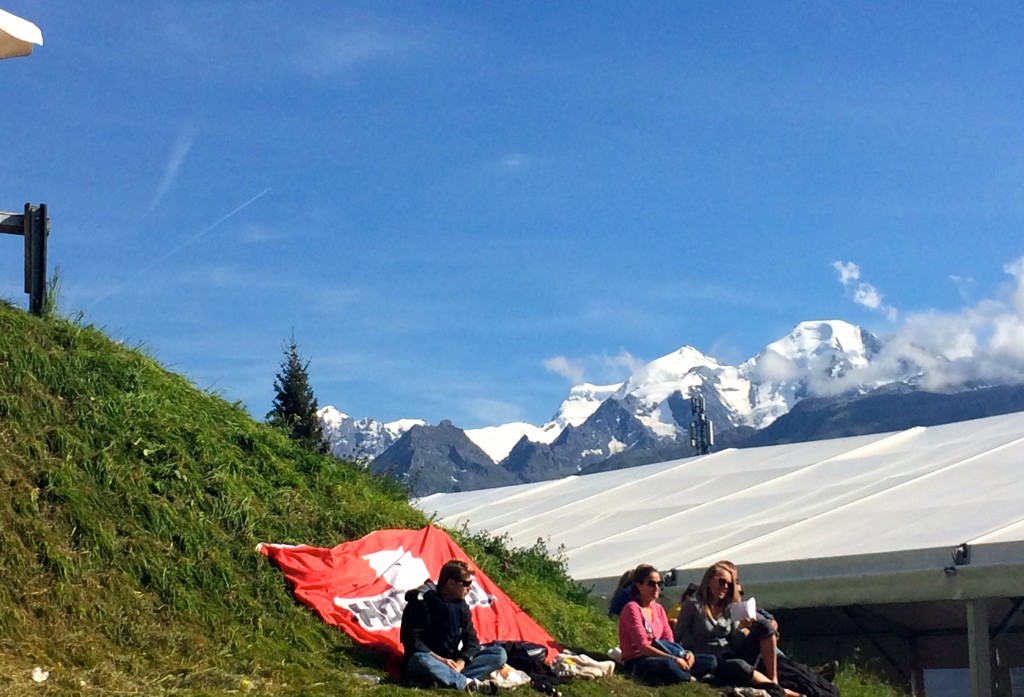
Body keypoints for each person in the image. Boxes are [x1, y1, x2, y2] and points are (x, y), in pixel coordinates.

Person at [673, 561, 800, 697]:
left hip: (731, 654)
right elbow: (676, 636)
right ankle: (779, 690)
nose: (725, 587)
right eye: (722, 582)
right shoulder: (693, 605)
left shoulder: (729, 607)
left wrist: (742, 628)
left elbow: (735, 641)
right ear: (709, 581)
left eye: (729, 584)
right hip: (710, 660)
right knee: (739, 665)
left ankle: (773, 680)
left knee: (764, 626)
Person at [400, 559, 507, 694]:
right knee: (420, 660)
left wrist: (461, 662)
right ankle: (466, 683)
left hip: (452, 662)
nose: (470, 587)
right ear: (450, 583)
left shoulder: (461, 607)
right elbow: (413, 641)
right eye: (466, 583)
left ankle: (448, 679)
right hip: (430, 658)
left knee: (498, 654)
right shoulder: (421, 603)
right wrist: (441, 660)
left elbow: (472, 641)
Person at [617, 564, 716, 686]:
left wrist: (685, 654)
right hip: (639, 658)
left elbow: (668, 641)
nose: (656, 588)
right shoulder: (632, 608)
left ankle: (682, 674)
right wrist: (672, 659)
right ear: (639, 585)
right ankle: (688, 677)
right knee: (668, 665)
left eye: (659, 584)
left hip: (665, 653)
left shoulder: (658, 609)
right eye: (651, 584)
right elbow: (643, 647)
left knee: (710, 660)